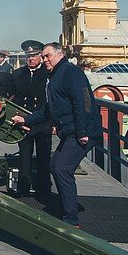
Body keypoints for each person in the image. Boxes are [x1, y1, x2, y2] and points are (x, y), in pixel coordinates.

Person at [10, 42, 102, 226]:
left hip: (81, 132)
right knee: (55, 166)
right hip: (70, 131)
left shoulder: (70, 72)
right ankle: (65, 206)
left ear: (59, 55)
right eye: (43, 57)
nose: (44, 60)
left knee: (62, 168)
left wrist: (82, 131)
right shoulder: (56, 76)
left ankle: (71, 220)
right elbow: (48, 110)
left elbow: (83, 101)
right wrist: (26, 120)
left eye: (47, 56)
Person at [8, 40, 51, 197]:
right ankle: (23, 188)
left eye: (34, 55)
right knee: (24, 158)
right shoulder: (18, 74)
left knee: (43, 158)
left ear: (40, 55)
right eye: (28, 56)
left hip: (42, 122)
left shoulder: (47, 74)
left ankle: (44, 189)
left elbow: (51, 101)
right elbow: (12, 98)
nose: (31, 59)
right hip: (23, 122)